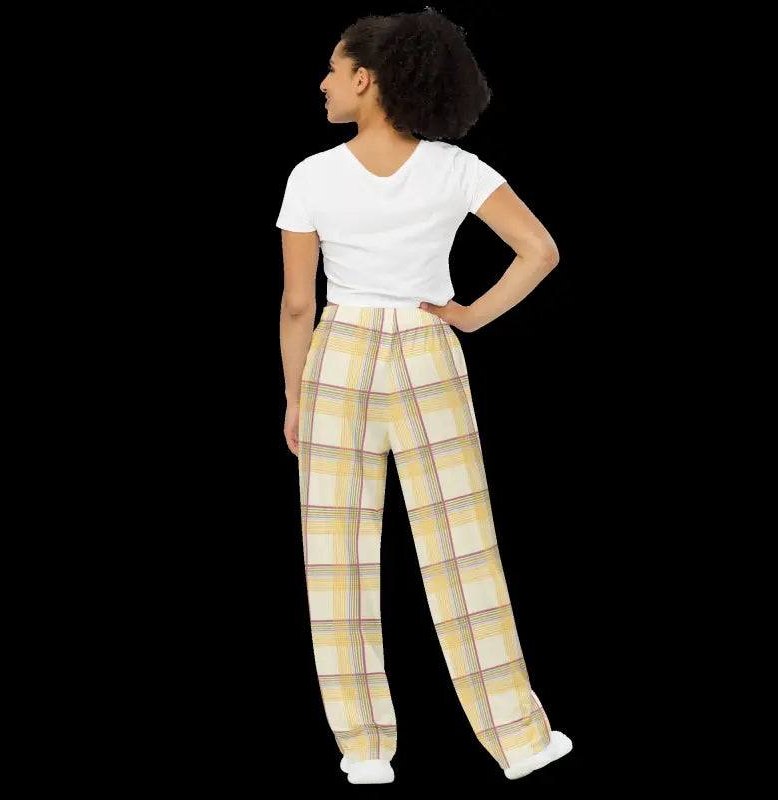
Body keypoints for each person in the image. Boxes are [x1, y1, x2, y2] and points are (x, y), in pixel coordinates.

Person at [277, 8, 571, 786]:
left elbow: (299, 305)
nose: (324, 83)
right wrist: (471, 314)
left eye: (333, 70)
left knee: (336, 554)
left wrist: (295, 395)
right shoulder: (456, 169)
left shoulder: (310, 176)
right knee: (462, 544)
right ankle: (521, 740)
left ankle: (365, 751)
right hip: (428, 348)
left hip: (338, 355)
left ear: (366, 80)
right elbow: (539, 250)